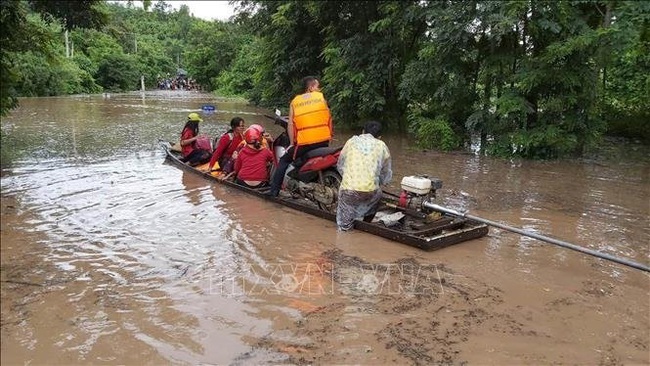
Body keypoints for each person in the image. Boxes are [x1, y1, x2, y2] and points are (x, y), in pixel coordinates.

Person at [267, 76, 333, 197]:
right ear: (311, 87)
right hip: (324, 142)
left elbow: (291, 125)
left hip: (306, 144)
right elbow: (329, 119)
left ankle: (274, 192)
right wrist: (329, 137)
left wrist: (292, 143)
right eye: (318, 87)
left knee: (284, 160)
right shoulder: (321, 98)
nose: (319, 89)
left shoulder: (295, 102)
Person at [336, 121, 392, 232]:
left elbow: (340, 164)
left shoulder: (351, 142)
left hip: (349, 190)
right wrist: (378, 182)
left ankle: (343, 240)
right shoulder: (382, 146)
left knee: (344, 227)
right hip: (370, 191)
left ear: (362, 132)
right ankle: (365, 226)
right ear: (379, 137)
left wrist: (348, 178)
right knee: (377, 196)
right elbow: (386, 173)